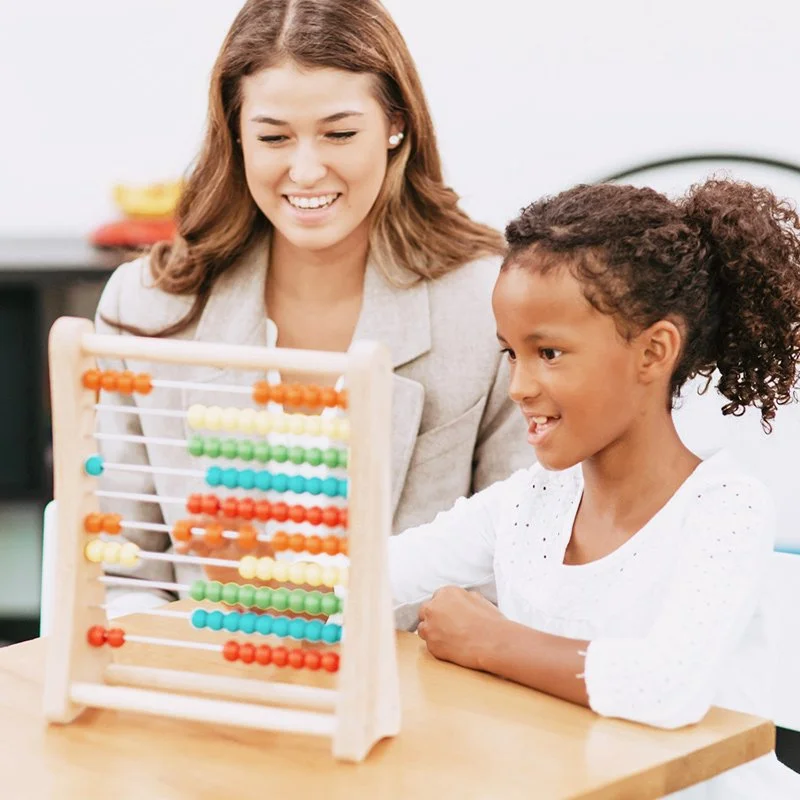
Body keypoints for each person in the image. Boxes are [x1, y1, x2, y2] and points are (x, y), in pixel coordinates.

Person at [92, 0, 531, 619]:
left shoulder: (484, 306)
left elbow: (521, 567)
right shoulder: (148, 307)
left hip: (420, 692)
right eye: (273, 137)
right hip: (208, 683)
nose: (304, 170)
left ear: (396, 124)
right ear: (236, 135)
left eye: (340, 133)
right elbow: (121, 568)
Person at [389, 179, 800, 797]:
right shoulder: (527, 504)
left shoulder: (724, 509)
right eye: (511, 354)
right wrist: (252, 561)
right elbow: (372, 573)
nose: (518, 387)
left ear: (654, 351)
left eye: (549, 353)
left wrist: (492, 641)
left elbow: (665, 687)